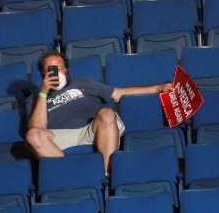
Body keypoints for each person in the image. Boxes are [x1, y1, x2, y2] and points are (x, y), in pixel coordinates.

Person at [24, 51, 173, 174]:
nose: (55, 74)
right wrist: (43, 92)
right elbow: (37, 128)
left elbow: (120, 93)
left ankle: (105, 176)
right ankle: (70, 175)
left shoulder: (83, 82)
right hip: (58, 137)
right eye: (50, 71)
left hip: (90, 130)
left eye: (58, 69)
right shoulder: (35, 99)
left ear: (67, 70)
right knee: (32, 135)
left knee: (107, 114)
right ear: (43, 76)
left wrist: (158, 88)